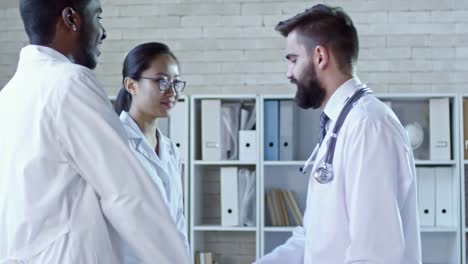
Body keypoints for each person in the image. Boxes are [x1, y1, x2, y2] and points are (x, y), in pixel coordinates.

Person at [0, 0, 189, 263]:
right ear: (71, 18)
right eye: (97, 16)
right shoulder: (69, 82)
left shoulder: (9, 95)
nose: (102, 31)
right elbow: (126, 194)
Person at [255, 4, 421, 263]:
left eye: (293, 60)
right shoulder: (339, 124)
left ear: (320, 56)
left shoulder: (368, 125)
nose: (289, 73)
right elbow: (312, 239)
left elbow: (375, 253)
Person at [114, 42, 189, 263]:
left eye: (175, 83)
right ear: (131, 85)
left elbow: (177, 220)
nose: (172, 92)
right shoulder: (115, 143)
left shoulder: (170, 150)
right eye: (162, 81)